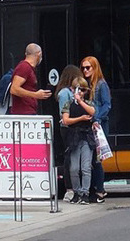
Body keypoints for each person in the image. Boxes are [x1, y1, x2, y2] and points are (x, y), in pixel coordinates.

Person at [81, 56, 111, 202]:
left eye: (88, 67)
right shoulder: (86, 85)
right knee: (92, 159)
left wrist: (97, 118)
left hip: (99, 124)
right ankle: (97, 189)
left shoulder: (101, 84)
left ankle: (100, 190)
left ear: (94, 67)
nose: (85, 70)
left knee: (97, 159)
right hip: (90, 123)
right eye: (83, 68)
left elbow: (107, 105)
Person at [62, 73, 95, 204]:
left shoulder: (88, 103)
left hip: (86, 137)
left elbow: (92, 112)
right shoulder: (68, 104)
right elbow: (65, 120)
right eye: (77, 89)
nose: (80, 92)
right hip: (74, 137)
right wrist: (80, 118)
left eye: (82, 89)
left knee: (86, 167)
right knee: (74, 168)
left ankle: (85, 193)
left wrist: (80, 101)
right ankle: (76, 192)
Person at [55, 64, 83, 196]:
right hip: (67, 128)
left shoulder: (72, 92)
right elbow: (63, 114)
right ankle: (69, 187)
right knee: (69, 157)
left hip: (73, 127)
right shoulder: (64, 93)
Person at [9, 43, 52, 115]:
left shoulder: (29, 68)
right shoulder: (24, 67)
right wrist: (36, 95)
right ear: (39, 54)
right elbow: (14, 89)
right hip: (23, 113)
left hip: (28, 111)